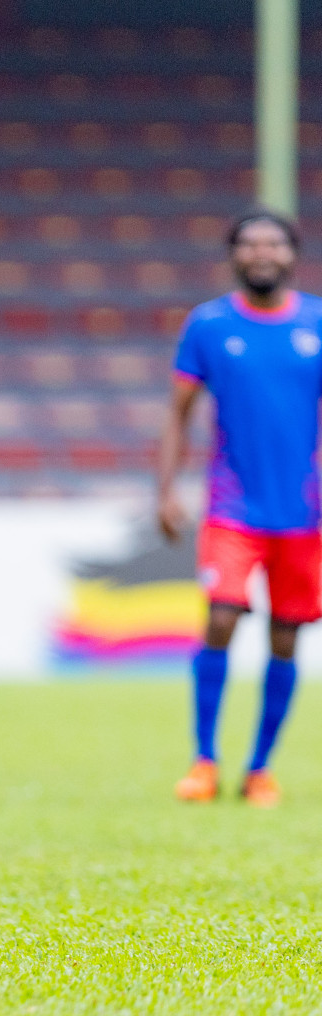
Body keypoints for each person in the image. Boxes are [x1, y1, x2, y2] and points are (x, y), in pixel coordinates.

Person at [157, 209, 321, 808]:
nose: (261, 253)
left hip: (303, 512)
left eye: (273, 243)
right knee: (222, 617)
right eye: (249, 244)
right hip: (233, 507)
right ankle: (204, 761)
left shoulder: (317, 322)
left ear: (291, 254)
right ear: (233, 254)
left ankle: (260, 768)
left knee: (285, 637)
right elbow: (177, 414)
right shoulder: (208, 324)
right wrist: (167, 489)